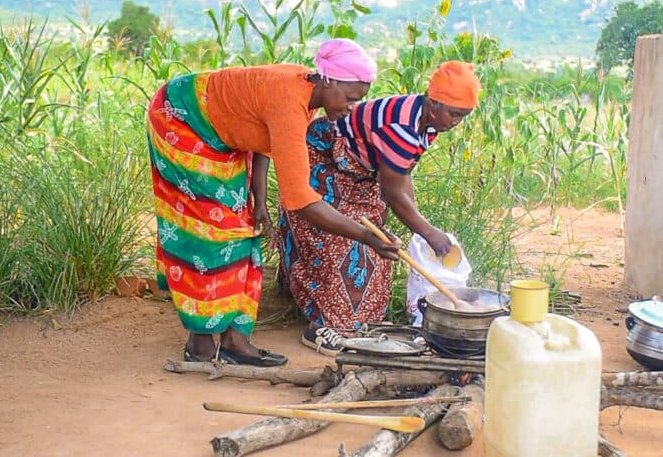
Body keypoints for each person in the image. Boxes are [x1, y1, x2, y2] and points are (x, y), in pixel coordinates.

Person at [147, 39, 402, 367]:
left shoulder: (307, 97)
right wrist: (367, 237)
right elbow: (301, 200)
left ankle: (235, 341)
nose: (352, 107)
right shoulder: (290, 100)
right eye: (350, 98)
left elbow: (266, 140)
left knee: (246, 227)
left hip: (224, 134)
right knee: (210, 231)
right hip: (183, 119)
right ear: (328, 79)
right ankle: (199, 343)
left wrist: (258, 201)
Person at [273, 61, 481, 355]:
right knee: (338, 240)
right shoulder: (401, 126)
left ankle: (355, 319)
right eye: (455, 114)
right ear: (434, 103)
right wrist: (429, 232)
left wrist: (419, 224)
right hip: (323, 162)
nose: (457, 122)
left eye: (463, 116)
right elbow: (393, 193)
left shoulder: (429, 121)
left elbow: (402, 174)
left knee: (377, 246)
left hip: (359, 172)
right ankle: (324, 327)